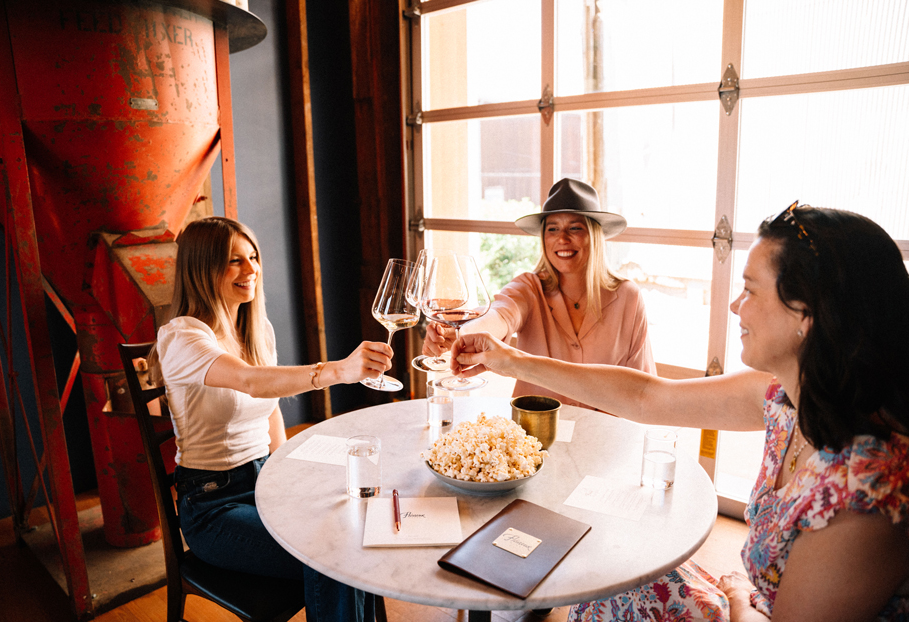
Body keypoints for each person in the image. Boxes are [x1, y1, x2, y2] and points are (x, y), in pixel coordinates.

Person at [449, 202, 909, 621]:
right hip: (750, 600)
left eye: (749, 290)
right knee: (606, 579)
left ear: (805, 314)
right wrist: (507, 358)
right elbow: (648, 397)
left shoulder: (865, 490)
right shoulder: (783, 398)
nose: (734, 306)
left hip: (751, 610)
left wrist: (736, 595)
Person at [152, 216, 392, 621]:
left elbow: (272, 407)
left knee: (358, 528)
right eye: (234, 261)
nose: (251, 270)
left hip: (265, 483)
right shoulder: (181, 336)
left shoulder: (256, 328)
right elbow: (251, 382)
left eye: (253, 257)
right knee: (330, 555)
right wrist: (337, 371)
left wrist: (288, 480)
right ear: (201, 267)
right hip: (213, 504)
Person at [423, 178, 655, 408]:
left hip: (606, 435)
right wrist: (462, 332)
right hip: (534, 434)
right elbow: (500, 315)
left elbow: (643, 387)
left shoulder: (628, 298)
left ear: (594, 235)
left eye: (575, 228)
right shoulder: (529, 288)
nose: (562, 239)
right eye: (552, 229)